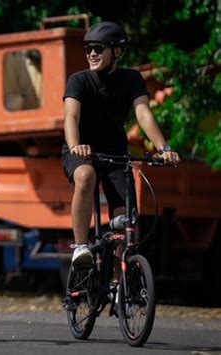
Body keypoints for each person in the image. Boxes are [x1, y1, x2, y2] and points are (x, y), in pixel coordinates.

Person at [61, 21, 180, 270]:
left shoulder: (131, 79)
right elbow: (71, 116)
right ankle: (81, 247)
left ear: (117, 52)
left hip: (115, 154)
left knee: (125, 219)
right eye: (88, 48)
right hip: (82, 150)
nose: (91, 53)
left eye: (98, 48)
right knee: (85, 175)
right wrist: (75, 146)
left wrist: (164, 148)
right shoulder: (79, 80)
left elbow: (143, 113)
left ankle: (119, 285)